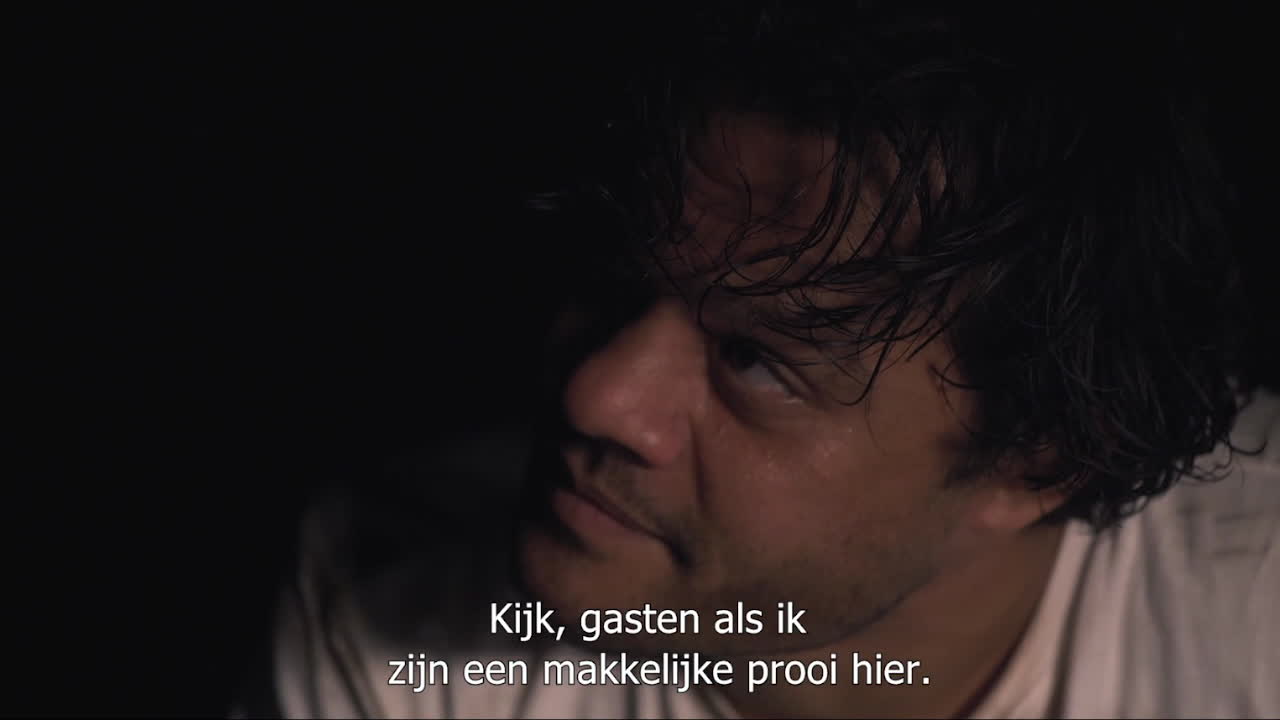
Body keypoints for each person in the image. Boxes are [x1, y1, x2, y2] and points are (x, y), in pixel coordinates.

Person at [243, 5, 1279, 718]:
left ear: (1039, 459)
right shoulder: (393, 628)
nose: (598, 393)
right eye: (616, 277)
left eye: (755, 360)